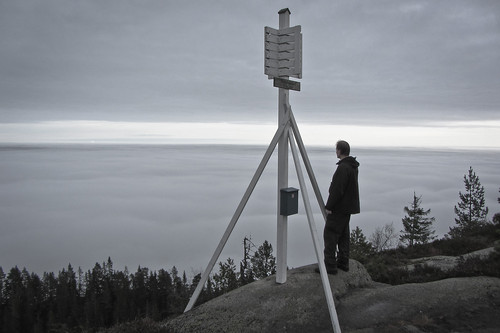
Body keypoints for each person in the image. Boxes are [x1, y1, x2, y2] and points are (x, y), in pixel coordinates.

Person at [319, 140, 360, 275]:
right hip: (348, 208)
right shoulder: (352, 166)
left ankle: (330, 266)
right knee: (343, 235)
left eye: (337, 149)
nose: (336, 151)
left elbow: (337, 189)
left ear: (340, 151)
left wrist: (329, 206)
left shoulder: (343, 168)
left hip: (339, 208)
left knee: (330, 234)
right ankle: (343, 263)